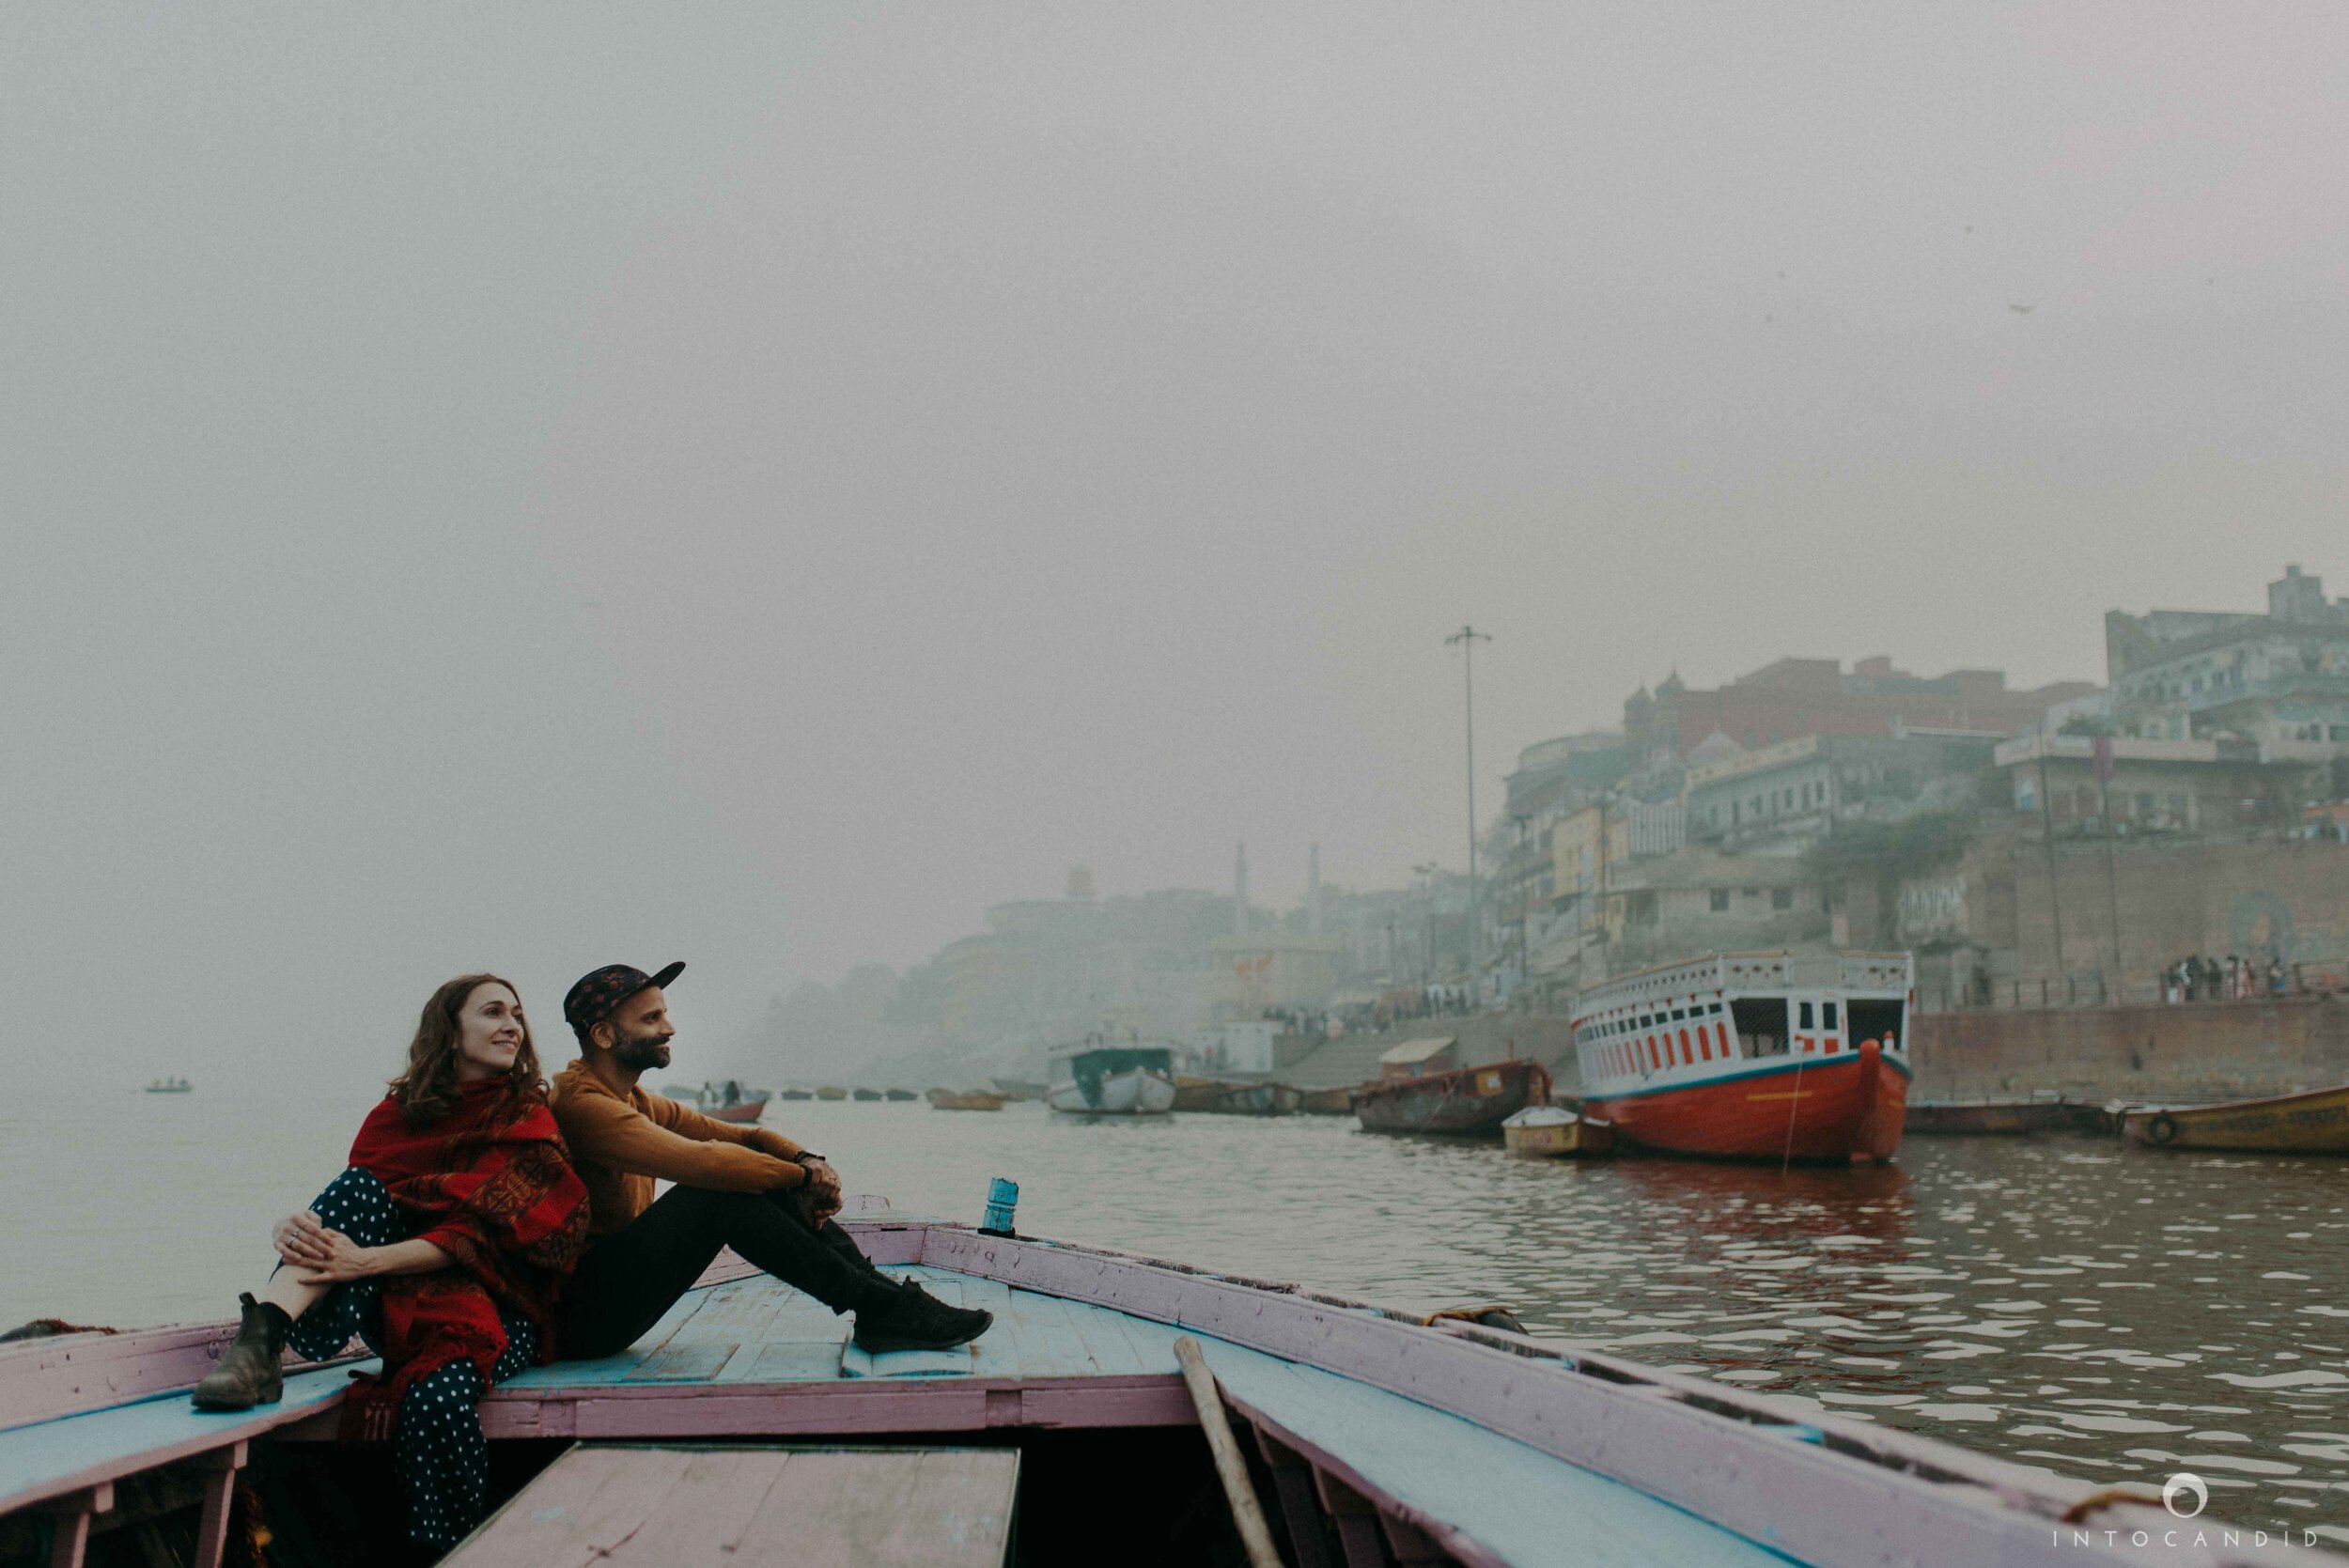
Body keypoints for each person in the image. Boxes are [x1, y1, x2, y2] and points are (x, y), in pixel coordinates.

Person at [191, 974, 590, 1557]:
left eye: (517, 1015)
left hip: (497, 1312)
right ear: (451, 1034)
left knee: (435, 1400)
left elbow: (492, 1235)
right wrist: (291, 1227)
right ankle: (261, 1343)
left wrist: (364, 1261)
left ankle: (447, 1550)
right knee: (355, 1188)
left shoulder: (527, 1118)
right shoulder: (397, 1116)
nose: (512, 1025)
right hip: (394, 1304)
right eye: (493, 1012)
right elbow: (357, 1207)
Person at [548, 962, 991, 1362]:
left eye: (664, 1013)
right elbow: (705, 1165)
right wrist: (800, 1179)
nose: (670, 1028)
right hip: (582, 1320)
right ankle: (879, 1306)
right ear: (604, 1035)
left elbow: (746, 1137)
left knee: (749, 1167)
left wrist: (805, 1161)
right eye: (651, 1019)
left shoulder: (634, 1098)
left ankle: (886, 1303)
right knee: (715, 1194)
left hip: (613, 1300)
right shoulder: (582, 1104)